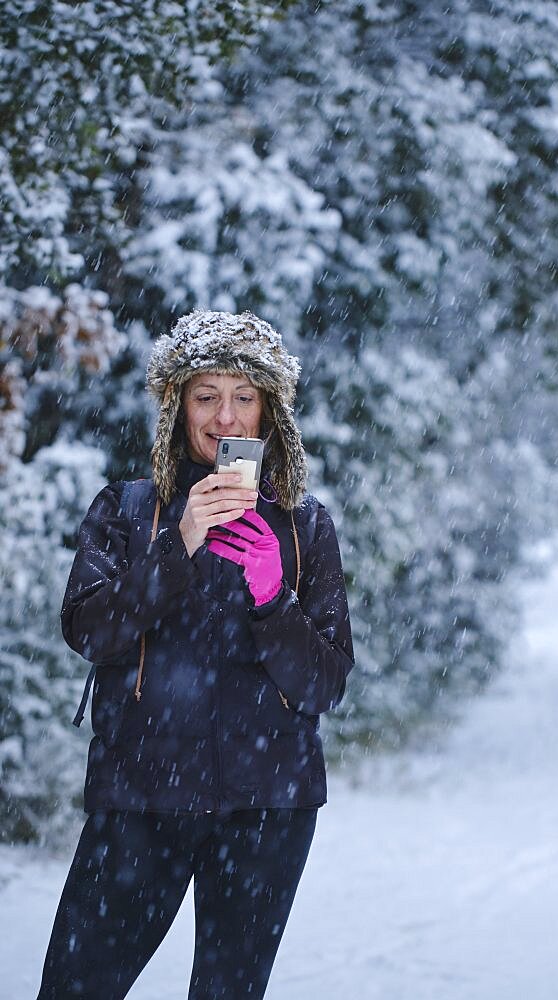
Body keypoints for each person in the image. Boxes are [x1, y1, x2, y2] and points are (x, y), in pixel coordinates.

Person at [37, 310, 355, 999]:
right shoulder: (125, 511)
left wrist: (276, 598)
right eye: (205, 395)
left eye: (244, 396)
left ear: (270, 411)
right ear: (176, 405)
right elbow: (90, 632)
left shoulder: (305, 526)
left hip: (268, 805)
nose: (224, 417)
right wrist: (176, 543)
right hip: (140, 796)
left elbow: (326, 683)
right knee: (75, 986)